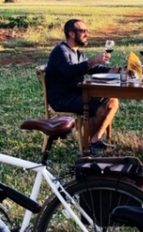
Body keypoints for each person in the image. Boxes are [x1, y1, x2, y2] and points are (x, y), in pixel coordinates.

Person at [46, 19, 119, 156]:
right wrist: (94, 60)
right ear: (72, 34)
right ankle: (86, 147)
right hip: (63, 98)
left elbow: (91, 68)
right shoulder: (60, 51)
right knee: (100, 109)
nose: (87, 34)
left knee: (113, 101)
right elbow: (69, 71)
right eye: (83, 31)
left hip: (78, 93)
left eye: (87, 31)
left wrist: (114, 71)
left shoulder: (78, 53)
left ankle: (94, 139)